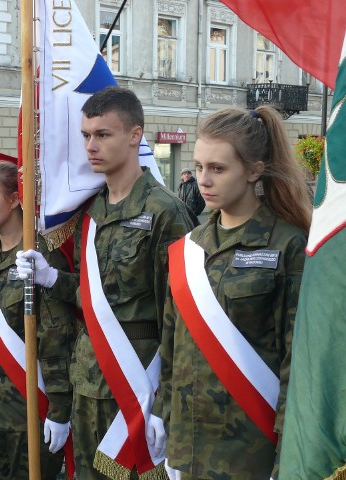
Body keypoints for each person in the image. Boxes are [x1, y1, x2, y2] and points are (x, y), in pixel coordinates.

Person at [17, 86, 194, 479]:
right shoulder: (92, 212)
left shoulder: (165, 212)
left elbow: (181, 317)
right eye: (86, 135)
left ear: (135, 135)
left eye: (102, 134)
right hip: (89, 378)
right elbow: (91, 295)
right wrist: (52, 279)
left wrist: (166, 405)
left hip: (138, 381)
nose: (91, 146)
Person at [153, 106, 311, 479]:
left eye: (219, 168)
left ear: (255, 170)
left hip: (250, 450)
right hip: (187, 446)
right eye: (200, 165)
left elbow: (297, 363)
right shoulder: (189, 247)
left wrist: (287, 453)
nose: (204, 180)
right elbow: (171, 345)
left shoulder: (287, 246)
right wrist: (164, 417)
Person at [0, 161, 75, 479]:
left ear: (15, 199)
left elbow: (57, 337)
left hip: (31, 410)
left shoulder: (39, 257)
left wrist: (58, 410)